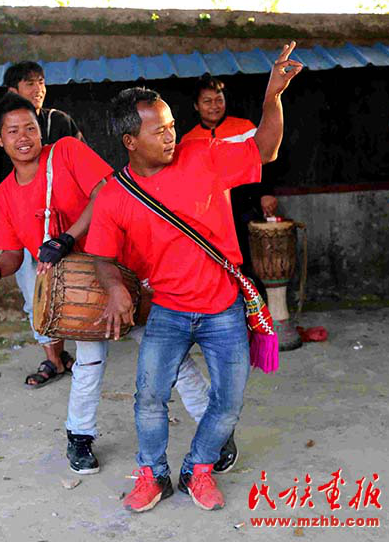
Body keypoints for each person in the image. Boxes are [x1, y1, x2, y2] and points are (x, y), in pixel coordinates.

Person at [85, 43, 302, 512]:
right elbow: (101, 255)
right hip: (167, 311)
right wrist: (115, 287)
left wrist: (273, 96)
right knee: (149, 398)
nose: (171, 136)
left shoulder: (203, 154)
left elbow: (266, 148)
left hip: (223, 307)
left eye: (172, 126)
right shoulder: (114, 196)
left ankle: (198, 469)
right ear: (130, 141)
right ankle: (152, 475)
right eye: (159, 131)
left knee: (228, 401)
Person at [0, 93, 231, 476]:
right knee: (88, 362)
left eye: (30, 128)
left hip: (123, 269)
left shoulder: (67, 152)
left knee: (169, 354)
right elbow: (12, 255)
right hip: (79, 290)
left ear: (40, 130)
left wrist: (68, 237)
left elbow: (105, 192)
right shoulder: (5, 195)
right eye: (13, 131)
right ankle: (79, 437)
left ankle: (215, 432)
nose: (23, 137)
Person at [0, 62, 85, 385]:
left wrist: (72, 232)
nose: (38, 89)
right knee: (36, 298)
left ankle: (86, 357)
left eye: (41, 82)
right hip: (22, 229)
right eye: (30, 83)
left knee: (81, 296)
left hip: (69, 226)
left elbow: (90, 176)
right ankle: (55, 359)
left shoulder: (59, 123)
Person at [181, 75, 278, 274]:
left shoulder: (245, 128)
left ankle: (251, 294)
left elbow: (265, 161)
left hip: (245, 205)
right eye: (207, 101)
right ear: (196, 106)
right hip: (209, 215)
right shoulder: (188, 140)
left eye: (219, 100)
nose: (214, 106)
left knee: (249, 261)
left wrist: (266, 193)